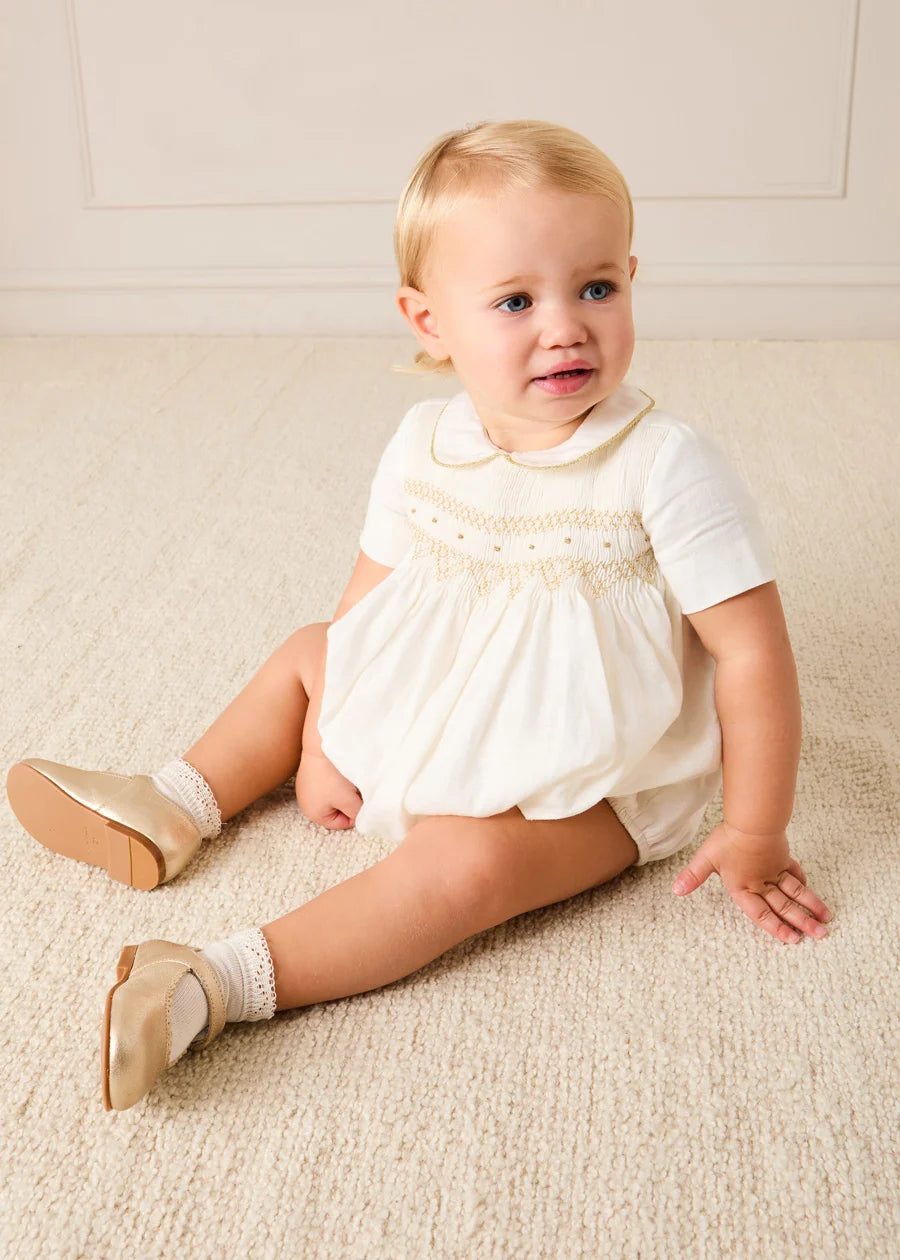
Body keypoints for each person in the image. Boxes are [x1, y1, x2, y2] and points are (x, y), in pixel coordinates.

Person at [5, 118, 833, 1113]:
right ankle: (177, 803)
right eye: (517, 300)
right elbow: (370, 601)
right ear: (429, 321)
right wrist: (329, 732)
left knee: (465, 865)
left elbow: (752, 655)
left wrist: (756, 825)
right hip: (432, 696)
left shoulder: (667, 466)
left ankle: (209, 982)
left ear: (630, 279)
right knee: (308, 650)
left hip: (587, 778)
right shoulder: (420, 441)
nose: (566, 325)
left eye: (598, 287)